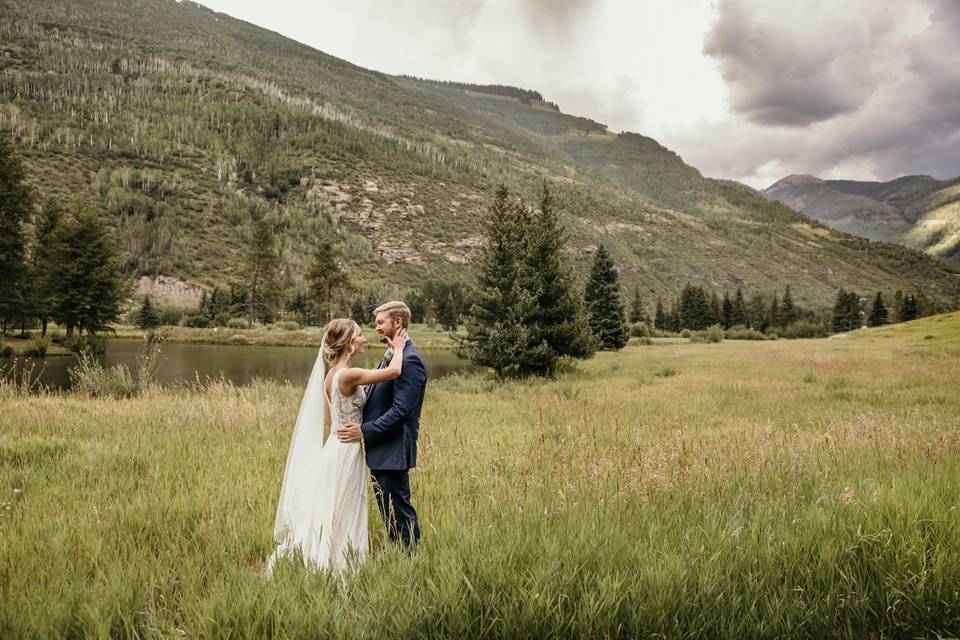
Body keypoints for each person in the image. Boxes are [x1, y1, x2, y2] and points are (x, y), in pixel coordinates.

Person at [266, 317, 408, 576]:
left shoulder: (331, 375)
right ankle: (342, 565)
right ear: (349, 344)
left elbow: (329, 418)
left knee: (333, 505)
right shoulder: (349, 374)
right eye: (360, 335)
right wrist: (398, 348)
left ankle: (332, 557)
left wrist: (345, 424)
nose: (364, 338)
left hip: (334, 447)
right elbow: (394, 372)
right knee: (347, 506)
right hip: (347, 450)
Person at [337, 301, 428, 548]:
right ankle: (398, 558)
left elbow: (402, 411)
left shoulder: (410, 360)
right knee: (390, 516)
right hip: (381, 450)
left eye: (380, 323)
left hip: (392, 451)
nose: (376, 328)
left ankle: (411, 561)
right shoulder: (392, 354)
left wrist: (364, 431)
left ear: (397, 323)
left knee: (400, 514)